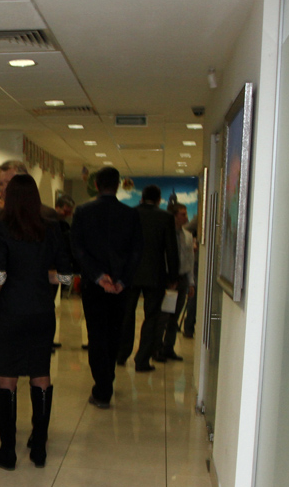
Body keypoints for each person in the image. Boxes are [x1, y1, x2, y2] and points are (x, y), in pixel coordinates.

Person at [0, 174, 73, 470]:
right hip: (41, 311)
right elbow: (66, 276)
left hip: (10, 310)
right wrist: (41, 276)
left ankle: (7, 451)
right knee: (40, 373)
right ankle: (39, 448)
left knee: (6, 376)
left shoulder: (2, 227)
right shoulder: (52, 228)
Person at [71, 167, 144, 409]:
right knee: (114, 332)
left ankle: (102, 387)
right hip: (120, 286)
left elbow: (78, 248)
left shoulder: (83, 211)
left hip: (94, 285)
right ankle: (107, 378)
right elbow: (136, 252)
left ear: (96, 184)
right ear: (118, 185)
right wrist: (122, 280)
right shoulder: (130, 214)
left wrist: (98, 276)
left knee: (96, 334)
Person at [117, 184, 178, 372]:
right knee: (151, 317)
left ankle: (121, 354)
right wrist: (173, 276)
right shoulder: (166, 217)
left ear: (142, 198)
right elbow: (171, 249)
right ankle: (142, 359)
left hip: (129, 274)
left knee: (126, 315)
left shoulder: (129, 214)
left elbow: (121, 246)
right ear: (159, 200)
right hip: (155, 274)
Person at [156, 203, 196, 361]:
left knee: (175, 316)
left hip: (182, 278)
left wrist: (191, 282)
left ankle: (169, 347)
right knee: (164, 316)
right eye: (182, 214)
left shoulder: (187, 235)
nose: (186, 217)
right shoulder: (165, 234)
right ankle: (157, 348)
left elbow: (190, 259)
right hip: (169, 280)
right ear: (174, 216)